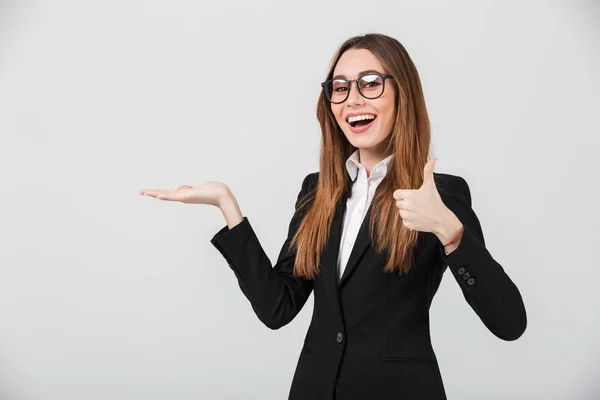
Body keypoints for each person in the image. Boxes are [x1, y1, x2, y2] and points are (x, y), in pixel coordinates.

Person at [139, 33, 527, 400]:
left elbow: (509, 323)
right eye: (340, 88)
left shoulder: (441, 194)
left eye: (370, 83)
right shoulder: (317, 191)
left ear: (402, 94)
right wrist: (228, 206)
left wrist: (448, 230)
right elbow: (279, 307)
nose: (352, 99)